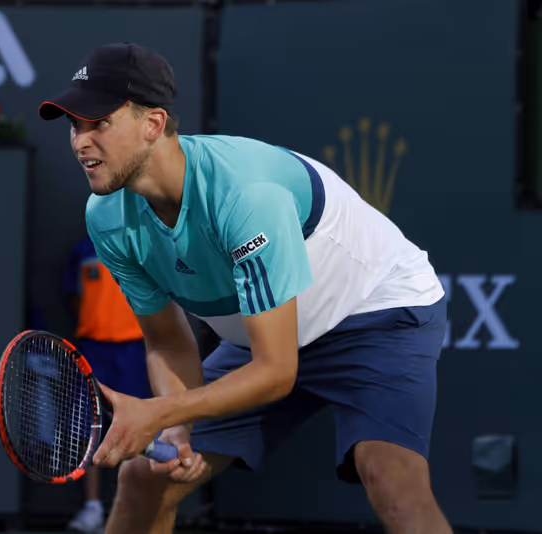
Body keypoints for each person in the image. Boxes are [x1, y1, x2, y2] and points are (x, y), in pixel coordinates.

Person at [39, 42, 452, 534]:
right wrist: (178, 429)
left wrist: (160, 410)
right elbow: (168, 341)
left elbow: (276, 372)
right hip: (266, 336)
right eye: (75, 126)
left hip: (374, 313)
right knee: (145, 477)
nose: (81, 142)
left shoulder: (245, 196)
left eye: (99, 124)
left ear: (153, 124)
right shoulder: (107, 217)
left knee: (391, 480)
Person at [62, 234, 152, 534]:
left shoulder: (142, 243)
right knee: (86, 428)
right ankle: (92, 509)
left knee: (136, 430)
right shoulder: (81, 249)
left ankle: (132, 511)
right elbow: (73, 296)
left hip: (132, 348)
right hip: (92, 349)